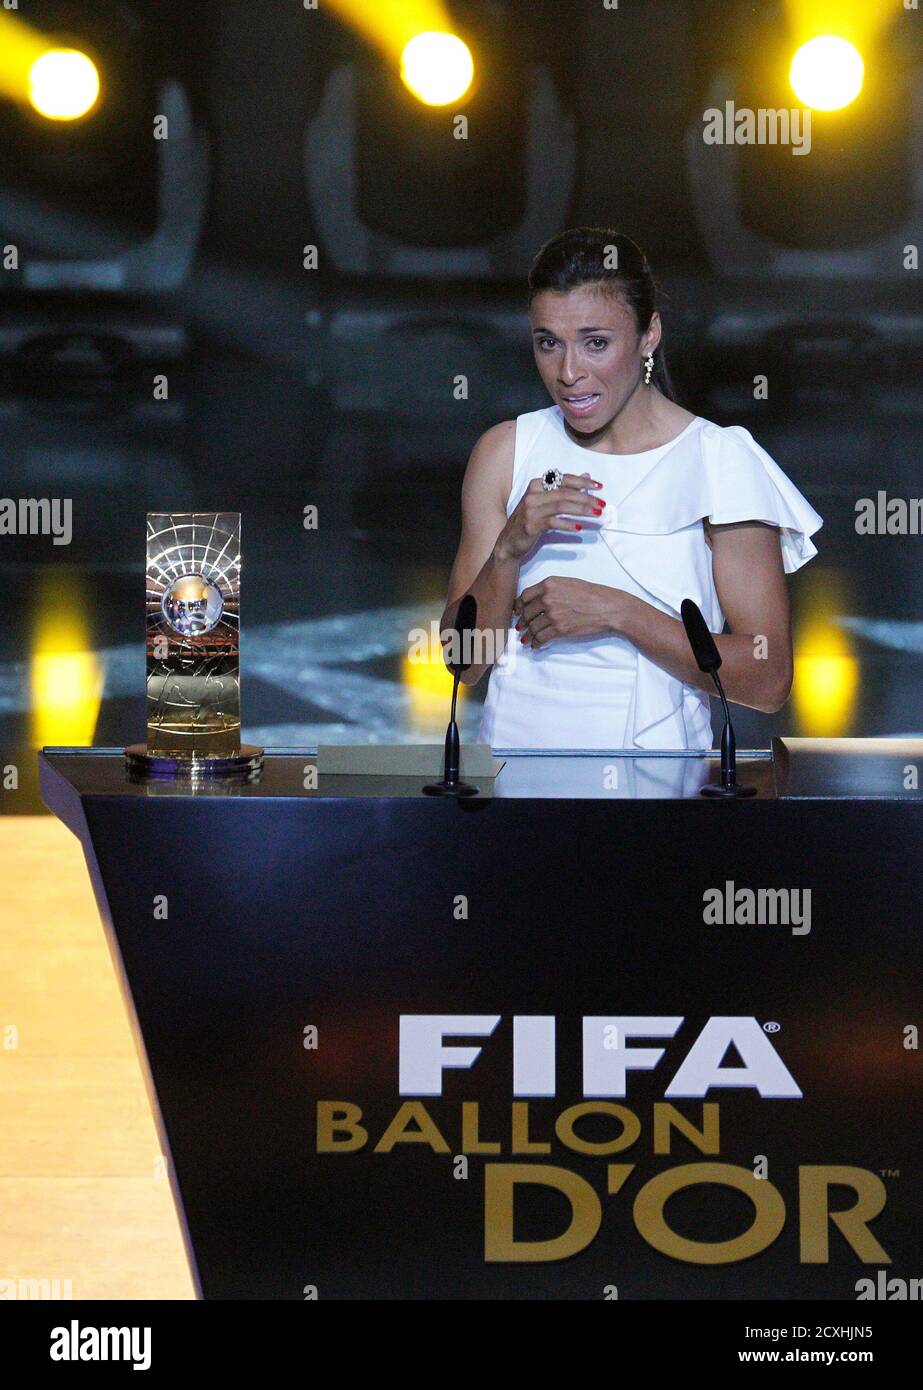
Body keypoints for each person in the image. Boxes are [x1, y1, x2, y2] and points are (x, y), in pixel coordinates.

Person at [440, 227, 823, 750]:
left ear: (649, 335)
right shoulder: (507, 452)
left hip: (657, 795)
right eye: (548, 343)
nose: (569, 371)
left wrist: (620, 614)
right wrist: (506, 551)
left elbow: (770, 678)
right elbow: (463, 665)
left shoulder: (718, 460)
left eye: (596, 343)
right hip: (513, 785)